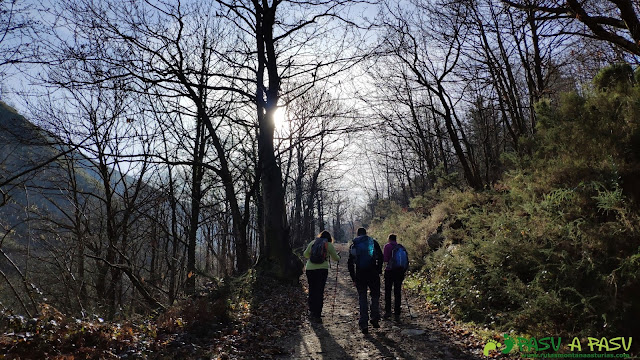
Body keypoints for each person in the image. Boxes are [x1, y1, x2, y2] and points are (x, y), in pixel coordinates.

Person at [348, 227, 383, 334]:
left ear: (358, 234)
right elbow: (381, 257)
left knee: (362, 297)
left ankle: (364, 324)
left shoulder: (354, 244)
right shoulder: (373, 242)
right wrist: (378, 270)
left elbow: (350, 263)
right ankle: (375, 318)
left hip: (360, 274)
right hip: (373, 273)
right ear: (366, 233)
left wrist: (353, 278)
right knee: (375, 295)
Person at [303, 230, 340, 323]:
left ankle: (311, 311)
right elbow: (335, 258)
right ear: (329, 238)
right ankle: (317, 315)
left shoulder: (313, 242)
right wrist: (338, 257)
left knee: (312, 289)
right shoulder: (329, 245)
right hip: (322, 270)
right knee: (319, 291)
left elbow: (305, 255)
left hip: (310, 269)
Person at [383, 233, 408, 321]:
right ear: (396, 239)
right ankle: (397, 312)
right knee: (397, 292)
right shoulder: (401, 247)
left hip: (389, 271)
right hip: (399, 272)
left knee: (388, 291)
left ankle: (388, 311)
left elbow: (385, 259)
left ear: (389, 239)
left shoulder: (387, 246)